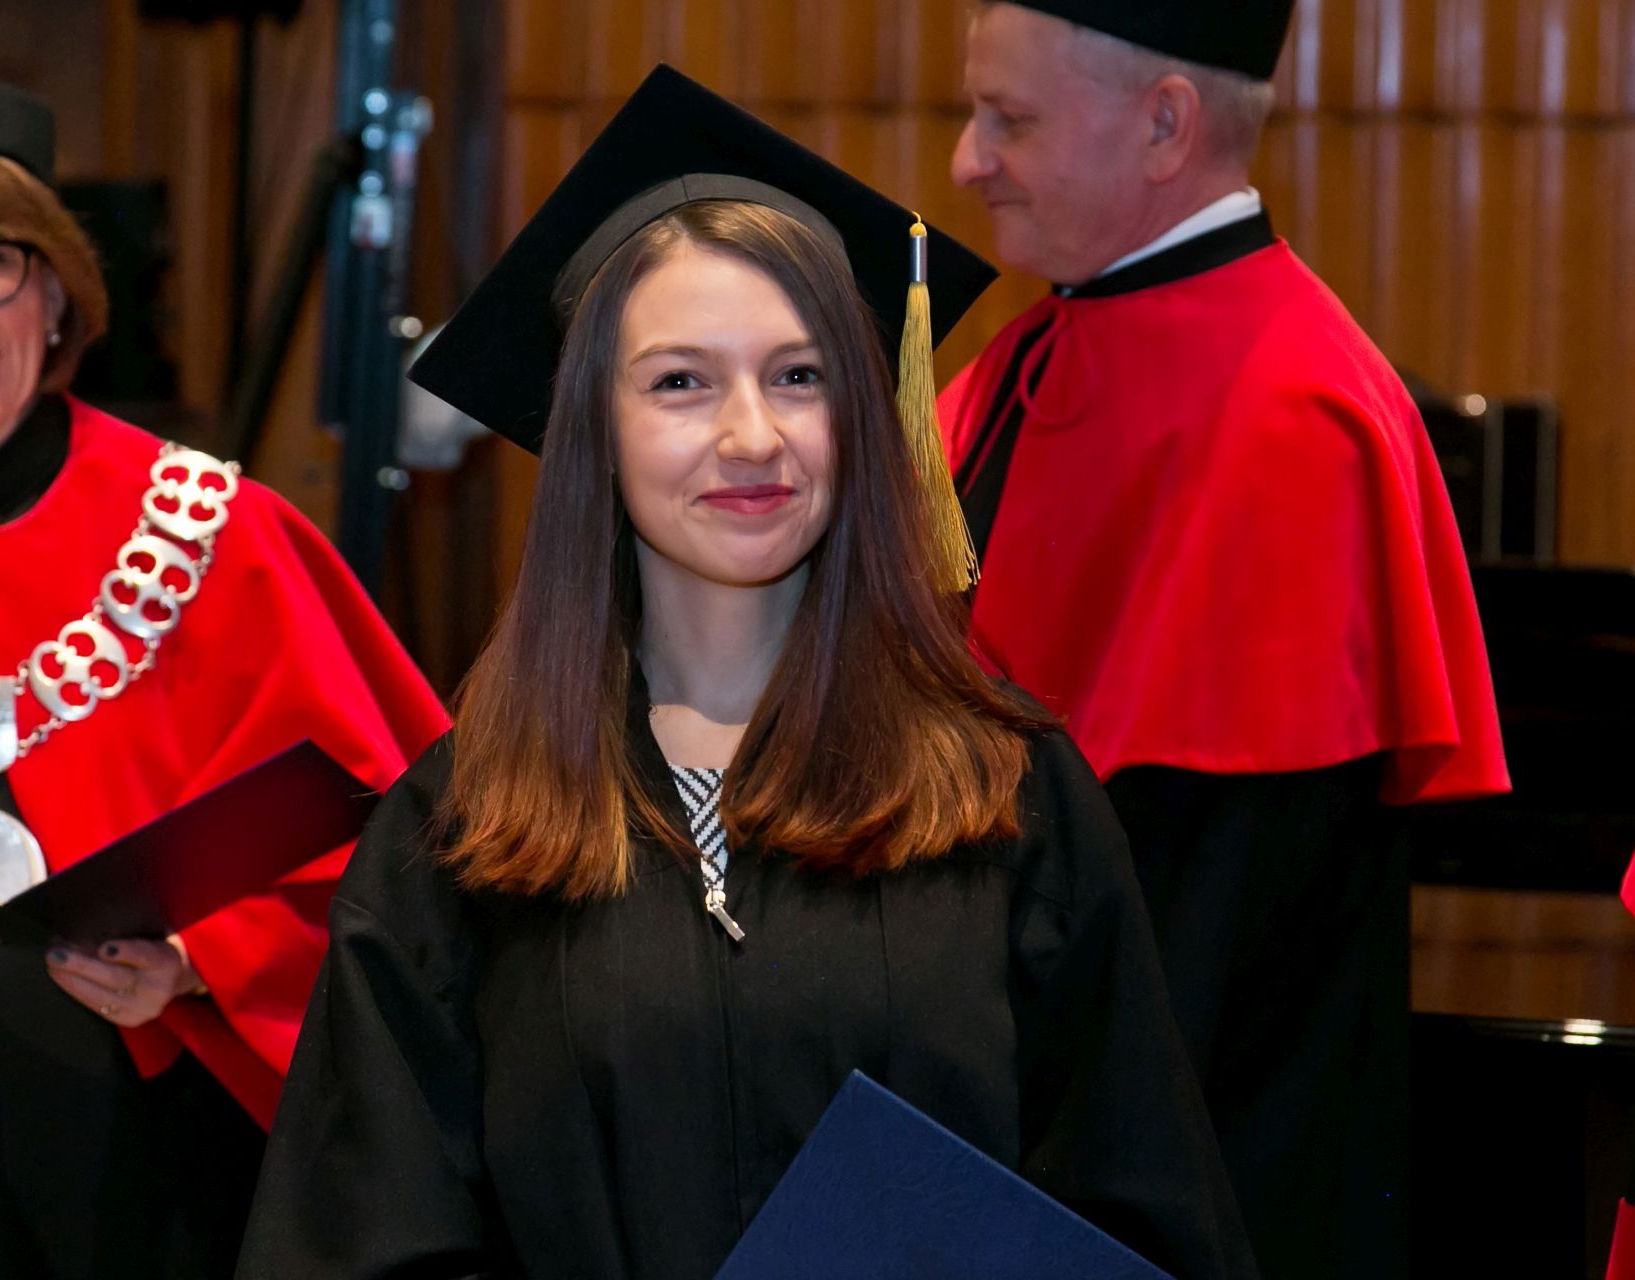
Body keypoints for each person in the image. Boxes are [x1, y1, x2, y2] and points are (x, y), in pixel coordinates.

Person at [236, 66, 1256, 1280]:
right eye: (680, 382)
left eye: (798, 375)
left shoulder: (1010, 793)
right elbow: (363, 1236)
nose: (753, 436)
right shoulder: (460, 829)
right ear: (592, 428)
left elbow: (1137, 1216)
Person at [0, 51, 448, 1278]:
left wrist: (204, 962)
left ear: (55, 289)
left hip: (149, 1160)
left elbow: (397, 850)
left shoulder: (217, 537)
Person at [940, 4, 1511, 1275]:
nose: (966, 161)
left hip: (1189, 1180)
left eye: (1008, 119)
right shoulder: (1031, 353)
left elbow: (1203, 923)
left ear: (1165, 124)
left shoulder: (1294, 418)